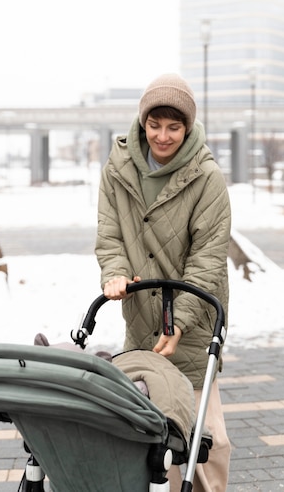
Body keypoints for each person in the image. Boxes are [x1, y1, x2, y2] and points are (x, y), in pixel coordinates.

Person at [96, 73, 231, 492]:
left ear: (187, 127)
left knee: (206, 441)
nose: (163, 135)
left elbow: (208, 256)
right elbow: (109, 234)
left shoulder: (207, 178)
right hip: (140, 317)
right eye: (155, 124)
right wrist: (115, 272)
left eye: (174, 127)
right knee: (154, 436)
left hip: (192, 315)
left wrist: (181, 321)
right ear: (142, 122)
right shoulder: (117, 170)